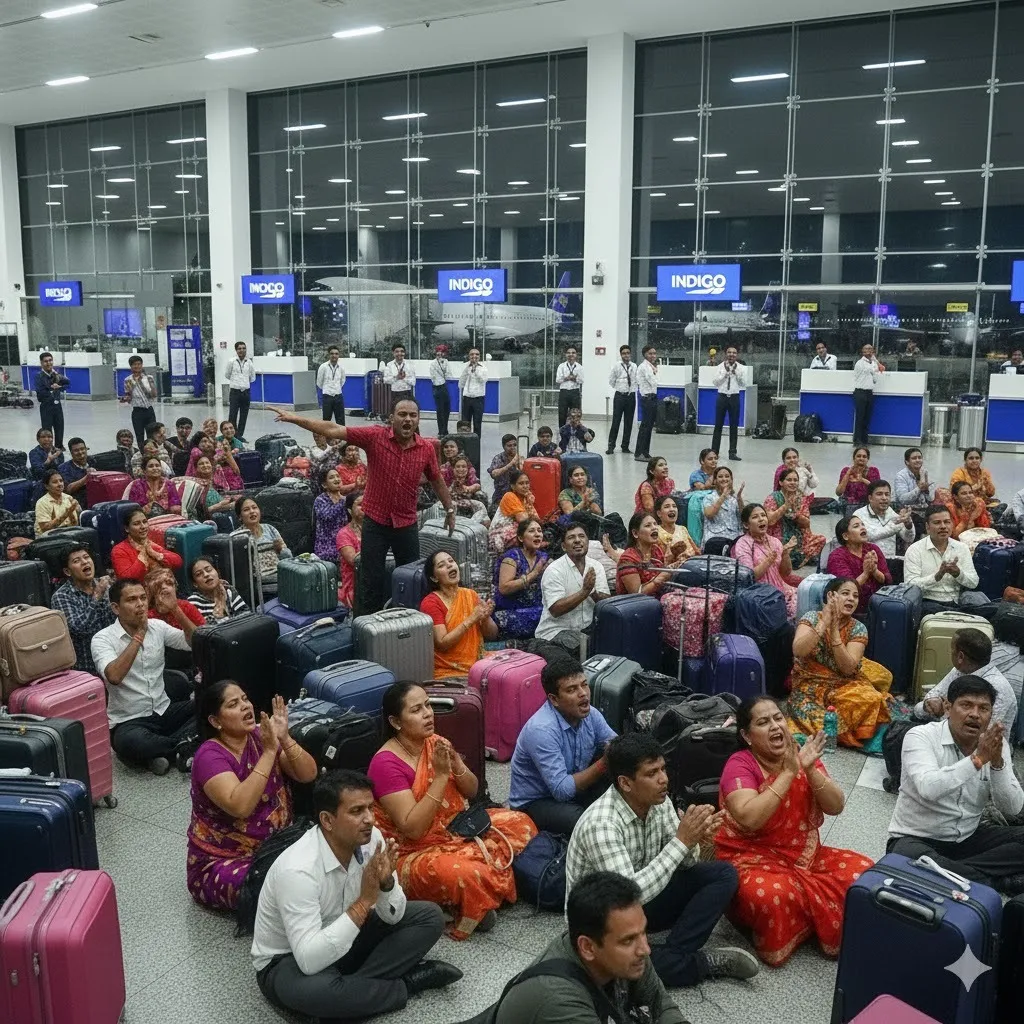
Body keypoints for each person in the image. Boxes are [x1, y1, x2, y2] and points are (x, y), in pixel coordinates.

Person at [252, 769, 460, 1021]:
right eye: (356, 811)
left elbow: (393, 916)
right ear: (327, 821)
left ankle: (350, 993)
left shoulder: (372, 839)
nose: (370, 819)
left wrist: (385, 885)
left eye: (370, 808)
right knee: (320, 992)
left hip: (348, 931)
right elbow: (308, 959)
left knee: (430, 916)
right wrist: (363, 902)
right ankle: (407, 984)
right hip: (288, 959)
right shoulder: (298, 870)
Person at [566, 733, 757, 986]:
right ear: (625, 783)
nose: (663, 779)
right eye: (651, 773)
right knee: (602, 966)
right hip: (604, 920)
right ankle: (690, 964)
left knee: (723, 874)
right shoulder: (601, 825)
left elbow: (687, 863)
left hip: (645, 897)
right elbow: (630, 896)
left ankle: (674, 954)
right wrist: (682, 841)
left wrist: (694, 839)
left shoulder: (659, 801)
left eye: (663, 768)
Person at [368, 682, 537, 939]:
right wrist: (440, 777)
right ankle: (476, 897)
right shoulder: (385, 764)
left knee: (521, 823)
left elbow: (472, 791)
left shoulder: (435, 742)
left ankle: (479, 895)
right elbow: (413, 829)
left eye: (427, 705)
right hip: (412, 851)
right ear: (395, 721)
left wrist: (456, 765)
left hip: (456, 827)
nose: (427, 713)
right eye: (416, 710)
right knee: (466, 873)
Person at [715, 697, 871, 967]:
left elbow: (836, 806)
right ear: (746, 735)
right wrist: (789, 773)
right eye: (763, 722)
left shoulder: (801, 753)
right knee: (771, 897)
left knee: (862, 873)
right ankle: (815, 916)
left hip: (802, 855)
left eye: (778, 718)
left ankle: (807, 916)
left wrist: (810, 770)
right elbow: (749, 818)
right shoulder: (740, 764)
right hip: (750, 859)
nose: (775, 727)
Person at [270, 400, 455, 616]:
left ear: (418, 419)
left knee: (411, 577)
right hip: (375, 523)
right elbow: (334, 429)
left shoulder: (425, 449)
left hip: (406, 523)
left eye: (413, 415)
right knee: (370, 581)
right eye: (402, 414)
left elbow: (437, 480)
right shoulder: (374, 436)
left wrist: (449, 510)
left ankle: (411, 625)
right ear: (391, 418)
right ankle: (365, 628)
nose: (408, 419)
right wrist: (295, 418)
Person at [886, 675, 1024, 894]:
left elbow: (1012, 808)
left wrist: (997, 763)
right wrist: (977, 760)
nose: (975, 715)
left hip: (967, 840)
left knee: (920, 868)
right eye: (966, 705)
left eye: (984, 709)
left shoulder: (996, 745)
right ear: (948, 708)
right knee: (904, 855)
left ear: (990, 715)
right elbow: (929, 788)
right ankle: (993, 882)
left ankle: (954, 876)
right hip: (918, 839)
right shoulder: (920, 737)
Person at [494, 871, 686, 1024]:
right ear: (587, 947)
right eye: (628, 940)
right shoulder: (559, 1001)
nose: (645, 949)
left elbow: (662, 1006)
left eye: (643, 932)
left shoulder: (630, 952)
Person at [188, 683, 317, 911]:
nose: (245, 706)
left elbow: (307, 774)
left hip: (281, 843)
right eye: (233, 704)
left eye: (245, 699)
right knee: (273, 886)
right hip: (225, 860)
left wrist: (285, 738)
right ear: (215, 721)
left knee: (331, 854)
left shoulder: (261, 736)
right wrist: (269, 752)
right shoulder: (209, 756)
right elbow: (241, 806)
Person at [91, 578, 195, 774]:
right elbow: (114, 675)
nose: (140, 604)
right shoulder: (102, 639)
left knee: (209, 705)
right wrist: (139, 635)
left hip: (163, 710)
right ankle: (186, 744)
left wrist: (176, 609)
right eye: (131, 600)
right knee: (131, 743)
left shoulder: (157, 626)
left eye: (143, 598)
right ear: (116, 608)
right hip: (130, 721)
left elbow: (194, 642)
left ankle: (165, 754)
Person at [509, 656, 614, 837]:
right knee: (584, 823)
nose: (583, 694)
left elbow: (615, 744)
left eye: (584, 685)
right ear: (554, 699)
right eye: (572, 689)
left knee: (623, 785)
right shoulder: (542, 730)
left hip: (574, 787)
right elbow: (562, 791)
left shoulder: (591, 715)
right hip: (536, 802)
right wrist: (605, 762)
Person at [787, 577, 896, 748]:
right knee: (812, 717)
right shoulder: (811, 618)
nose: (851, 599)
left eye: (855, 596)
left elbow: (847, 669)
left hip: (844, 684)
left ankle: (844, 730)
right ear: (831, 595)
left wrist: (835, 632)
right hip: (809, 685)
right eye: (845, 594)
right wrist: (824, 622)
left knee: (871, 699)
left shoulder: (858, 628)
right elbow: (798, 651)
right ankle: (842, 731)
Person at [915, 628, 1018, 733]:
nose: (950, 652)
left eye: (952, 649)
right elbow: (924, 705)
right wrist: (927, 705)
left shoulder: (998, 688)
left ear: (960, 657)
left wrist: (945, 712)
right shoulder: (959, 671)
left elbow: (981, 735)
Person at [536, 522, 611, 656]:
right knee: (584, 646)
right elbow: (555, 609)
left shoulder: (596, 566)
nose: (577, 540)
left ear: (588, 542)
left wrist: (593, 592)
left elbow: (605, 603)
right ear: (564, 546)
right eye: (571, 537)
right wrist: (584, 592)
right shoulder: (554, 570)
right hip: (556, 631)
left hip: (586, 629)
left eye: (581, 536)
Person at [420, 551, 498, 678]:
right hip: (449, 671)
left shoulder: (470, 594)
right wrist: (472, 619)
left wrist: (485, 618)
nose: (450, 565)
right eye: (441, 565)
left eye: (451, 561)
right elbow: (442, 643)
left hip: (478, 663)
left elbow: (492, 635)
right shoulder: (430, 603)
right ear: (434, 578)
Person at [903, 505, 989, 615]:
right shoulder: (915, 550)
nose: (943, 526)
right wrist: (936, 577)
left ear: (952, 524)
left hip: (957, 602)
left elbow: (973, 583)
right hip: (927, 603)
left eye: (947, 522)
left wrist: (958, 573)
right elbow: (910, 586)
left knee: (985, 606)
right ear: (927, 527)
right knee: (932, 610)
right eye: (937, 523)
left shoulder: (961, 548)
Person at [51, 546, 115, 675]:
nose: (85, 562)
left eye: (86, 557)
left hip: (114, 658)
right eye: (76, 561)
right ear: (68, 571)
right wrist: (96, 598)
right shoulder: (62, 596)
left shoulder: (106, 585)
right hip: (87, 668)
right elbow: (78, 629)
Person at [734, 504, 799, 617]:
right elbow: (749, 577)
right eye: (755, 517)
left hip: (780, 589)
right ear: (746, 525)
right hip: (758, 594)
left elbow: (785, 573)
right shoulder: (743, 544)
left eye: (763, 515)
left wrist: (785, 554)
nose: (761, 519)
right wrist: (768, 560)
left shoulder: (775, 541)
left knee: (803, 599)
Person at [493, 517, 548, 640]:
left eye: (539, 531)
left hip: (536, 609)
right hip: (511, 612)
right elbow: (504, 588)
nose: (537, 534)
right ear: (521, 538)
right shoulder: (512, 557)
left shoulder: (543, 557)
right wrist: (534, 574)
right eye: (532, 531)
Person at [825, 516, 891, 614]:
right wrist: (865, 573)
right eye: (856, 526)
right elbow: (844, 589)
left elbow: (887, 580)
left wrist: (874, 571)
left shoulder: (873, 549)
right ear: (846, 536)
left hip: (879, 604)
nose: (862, 528)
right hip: (852, 609)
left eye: (862, 524)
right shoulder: (837, 556)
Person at [763, 467, 826, 570]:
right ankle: (794, 558)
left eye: (795, 480)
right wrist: (784, 507)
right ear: (781, 482)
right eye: (789, 480)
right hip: (778, 536)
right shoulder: (773, 498)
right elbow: (769, 521)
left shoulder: (801, 498)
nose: (793, 483)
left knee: (821, 540)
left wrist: (795, 515)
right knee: (776, 548)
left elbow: (806, 523)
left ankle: (794, 557)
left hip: (798, 537)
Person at [236, 495, 292, 597]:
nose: (252, 511)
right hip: (259, 581)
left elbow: (288, 558)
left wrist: (281, 551)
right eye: (246, 510)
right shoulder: (238, 537)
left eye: (254, 507)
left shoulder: (270, 529)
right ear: (240, 516)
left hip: (279, 574)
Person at [616, 512, 683, 597]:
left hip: (659, 599)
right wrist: (662, 577)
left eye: (655, 524)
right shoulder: (628, 559)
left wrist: (673, 561)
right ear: (635, 533)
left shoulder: (656, 550)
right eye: (648, 525)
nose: (654, 528)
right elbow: (636, 595)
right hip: (637, 607)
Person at [111, 507, 183, 580]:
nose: (143, 526)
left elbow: (178, 562)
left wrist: (155, 554)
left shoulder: (151, 544)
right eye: (136, 524)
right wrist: (143, 554)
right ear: (127, 528)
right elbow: (126, 578)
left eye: (145, 522)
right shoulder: (119, 550)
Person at [854, 479, 915, 561]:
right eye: (879, 494)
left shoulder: (893, 514)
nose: (884, 498)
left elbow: (909, 538)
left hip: (889, 562)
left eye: (887, 494)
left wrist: (908, 525)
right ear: (870, 498)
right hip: (866, 561)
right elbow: (869, 536)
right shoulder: (858, 515)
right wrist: (897, 524)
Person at [187, 558, 249, 622]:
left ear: (217, 572)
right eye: (199, 574)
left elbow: (246, 617)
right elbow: (202, 630)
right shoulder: (193, 602)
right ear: (195, 584)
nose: (206, 575)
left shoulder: (228, 590)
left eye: (208, 570)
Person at [711, 345, 744, 461]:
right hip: (722, 397)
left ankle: (732, 452)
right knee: (718, 425)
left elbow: (743, 383)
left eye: (734, 353)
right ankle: (714, 452)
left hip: (734, 397)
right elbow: (715, 382)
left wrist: (736, 374)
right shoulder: (720, 367)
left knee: (734, 426)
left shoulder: (740, 368)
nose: (731, 355)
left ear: (737, 355)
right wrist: (724, 375)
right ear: (726, 354)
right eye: (729, 352)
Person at [701, 466, 745, 550]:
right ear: (715, 481)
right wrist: (723, 496)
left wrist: (739, 498)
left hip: (734, 537)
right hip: (714, 537)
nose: (724, 479)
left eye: (727, 476)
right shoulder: (709, 497)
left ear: (731, 480)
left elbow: (743, 518)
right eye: (720, 476)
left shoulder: (735, 499)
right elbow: (709, 514)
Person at [312, 468, 349, 563]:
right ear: (324, 485)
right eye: (332, 477)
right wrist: (344, 501)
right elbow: (327, 516)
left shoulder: (345, 500)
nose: (337, 479)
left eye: (338, 476)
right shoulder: (320, 500)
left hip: (344, 544)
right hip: (327, 548)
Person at [34, 351, 69, 449]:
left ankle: (59, 447)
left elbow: (68, 383)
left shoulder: (56, 374)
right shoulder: (39, 376)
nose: (48, 363)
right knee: (47, 430)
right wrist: (52, 389)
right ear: (41, 363)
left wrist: (59, 387)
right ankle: (48, 448)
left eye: (50, 360)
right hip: (46, 406)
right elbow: (40, 392)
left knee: (59, 427)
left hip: (57, 406)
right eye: (45, 361)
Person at [607, 344, 637, 455]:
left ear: (630, 354)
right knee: (616, 421)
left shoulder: (634, 366)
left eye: (628, 353)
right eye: (623, 353)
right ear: (621, 355)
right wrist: (620, 388)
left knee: (629, 422)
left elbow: (636, 380)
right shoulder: (617, 366)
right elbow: (611, 380)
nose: (626, 355)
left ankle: (625, 446)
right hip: (620, 396)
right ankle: (611, 446)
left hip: (631, 396)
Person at [336, 492, 364, 609]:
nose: (365, 507)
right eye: (360, 504)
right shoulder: (344, 534)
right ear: (349, 510)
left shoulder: (377, 531)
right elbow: (354, 561)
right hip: (355, 585)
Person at [852, 343, 883, 445]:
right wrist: (875, 363)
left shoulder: (873, 363)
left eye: (870, 349)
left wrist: (875, 363)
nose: (868, 351)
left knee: (867, 417)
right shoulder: (860, 363)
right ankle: (857, 440)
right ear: (862, 351)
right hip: (860, 392)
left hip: (869, 392)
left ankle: (865, 439)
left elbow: (875, 378)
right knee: (860, 417)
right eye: (866, 349)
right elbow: (872, 370)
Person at [123, 354, 157, 449]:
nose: (137, 366)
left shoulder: (149, 377)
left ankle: (152, 453)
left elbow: (154, 394)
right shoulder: (128, 380)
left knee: (152, 435)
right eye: (134, 364)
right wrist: (126, 398)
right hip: (137, 412)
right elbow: (129, 396)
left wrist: (148, 385)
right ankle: (142, 454)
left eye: (139, 364)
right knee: (139, 436)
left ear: (142, 365)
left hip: (149, 411)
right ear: (131, 366)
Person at [834, 445, 879, 514]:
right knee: (850, 507)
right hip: (848, 504)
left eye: (864, 456)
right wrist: (847, 475)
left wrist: (863, 480)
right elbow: (838, 493)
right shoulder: (846, 470)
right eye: (858, 456)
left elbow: (877, 491)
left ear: (867, 459)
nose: (861, 458)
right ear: (854, 458)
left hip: (867, 504)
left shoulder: (873, 471)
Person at [34, 468, 80, 533]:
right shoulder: (42, 503)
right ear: (46, 486)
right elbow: (45, 529)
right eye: (55, 482)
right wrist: (66, 514)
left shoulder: (68, 498)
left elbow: (75, 525)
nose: (60, 484)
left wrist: (78, 511)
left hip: (68, 535)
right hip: (48, 539)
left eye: (61, 481)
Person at [654, 494, 699, 560]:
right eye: (667, 507)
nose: (672, 509)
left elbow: (696, 551)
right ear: (659, 513)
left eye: (674, 506)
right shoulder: (655, 531)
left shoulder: (682, 529)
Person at [634, 344, 659, 462]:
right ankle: (639, 453)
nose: (653, 355)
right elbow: (653, 382)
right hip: (647, 398)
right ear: (645, 354)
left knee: (649, 427)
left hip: (652, 397)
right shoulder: (644, 367)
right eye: (650, 353)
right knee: (645, 427)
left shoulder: (651, 366)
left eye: (654, 353)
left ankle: (645, 452)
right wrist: (656, 375)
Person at [225, 341, 256, 437]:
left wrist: (243, 383)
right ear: (236, 350)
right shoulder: (231, 361)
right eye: (239, 348)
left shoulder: (249, 362)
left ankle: (239, 437)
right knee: (232, 415)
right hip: (235, 392)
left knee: (244, 416)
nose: (242, 350)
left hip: (246, 393)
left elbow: (252, 377)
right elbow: (227, 375)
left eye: (244, 348)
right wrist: (237, 382)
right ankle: (232, 436)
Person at [459, 347, 487, 437]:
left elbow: (483, 380)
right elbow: (461, 384)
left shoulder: (483, 368)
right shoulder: (465, 366)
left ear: (479, 356)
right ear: (469, 356)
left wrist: (475, 370)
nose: (474, 356)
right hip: (467, 398)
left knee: (477, 423)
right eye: (472, 354)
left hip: (478, 399)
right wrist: (467, 370)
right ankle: (465, 443)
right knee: (465, 423)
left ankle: (476, 444)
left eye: (477, 354)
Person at [489, 434, 524, 505]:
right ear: (503, 446)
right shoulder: (498, 458)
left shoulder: (520, 458)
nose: (513, 447)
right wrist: (510, 464)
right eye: (509, 446)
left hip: (517, 494)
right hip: (501, 495)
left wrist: (521, 465)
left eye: (514, 445)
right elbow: (494, 474)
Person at [316, 345, 346, 426]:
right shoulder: (323, 367)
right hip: (327, 396)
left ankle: (340, 438)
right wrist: (327, 389)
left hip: (338, 396)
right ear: (329, 355)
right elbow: (319, 382)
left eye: (336, 354)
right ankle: (327, 438)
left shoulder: (341, 368)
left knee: (340, 420)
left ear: (339, 355)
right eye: (332, 353)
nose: (334, 356)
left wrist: (336, 388)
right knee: (326, 420)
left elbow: (342, 380)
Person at [59, 437, 93, 504]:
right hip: (76, 504)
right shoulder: (64, 468)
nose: (80, 453)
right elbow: (67, 489)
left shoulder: (94, 461)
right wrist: (87, 477)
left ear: (86, 449)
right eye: (76, 450)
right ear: (71, 453)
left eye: (82, 449)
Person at [556, 346, 583, 427]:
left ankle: (575, 433)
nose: (571, 354)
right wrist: (567, 378)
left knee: (575, 415)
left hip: (575, 392)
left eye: (573, 353)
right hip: (564, 392)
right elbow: (558, 380)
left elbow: (581, 380)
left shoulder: (579, 367)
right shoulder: (561, 366)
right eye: (568, 353)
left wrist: (574, 379)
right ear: (565, 354)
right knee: (562, 414)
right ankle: (562, 433)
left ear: (576, 355)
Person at [428, 344, 452, 436]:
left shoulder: (445, 362)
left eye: (442, 352)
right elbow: (434, 377)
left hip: (444, 386)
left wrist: (443, 365)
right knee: (440, 410)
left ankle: (445, 429)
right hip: (437, 387)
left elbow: (449, 374)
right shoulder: (433, 363)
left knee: (447, 408)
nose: (440, 354)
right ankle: (441, 431)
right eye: (438, 351)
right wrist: (441, 366)